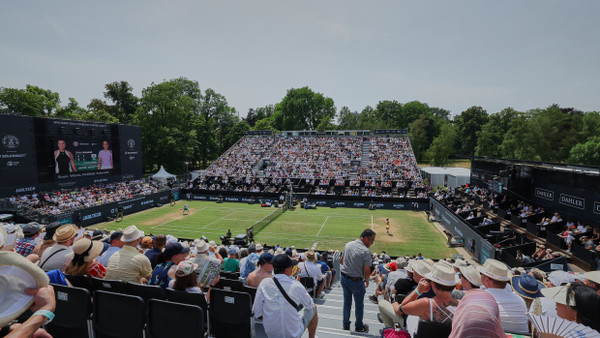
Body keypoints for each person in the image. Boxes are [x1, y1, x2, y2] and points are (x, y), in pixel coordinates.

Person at [253, 254, 319, 338]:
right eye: (291, 267)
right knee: (313, 306)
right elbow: (310, 306)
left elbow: (256, 312)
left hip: (271, 333)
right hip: (293, 334)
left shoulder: (264, 283)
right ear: (287, 270)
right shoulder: (297, 285)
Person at [393, 262, 459, 329]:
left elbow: (403, 308)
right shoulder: (460, 304)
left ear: (432, 282)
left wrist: (418, 290)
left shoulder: (426, 303)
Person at [478, 258, 529, 334]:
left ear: (487, 280)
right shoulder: (520, 300)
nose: (480, 276)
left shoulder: (481, 297)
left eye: (481, 273)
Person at [340, 229, 375, 333]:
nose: (372, 243)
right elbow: (367, 269)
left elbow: (341, 260)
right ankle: (359, 326)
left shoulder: (348, 244)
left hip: (344, 278)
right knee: (359, 305)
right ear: (365, 238)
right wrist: (367, 279)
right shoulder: (365, 251)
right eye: (371, 240)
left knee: (347, 303)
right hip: (356, 281)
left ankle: (346, 325)